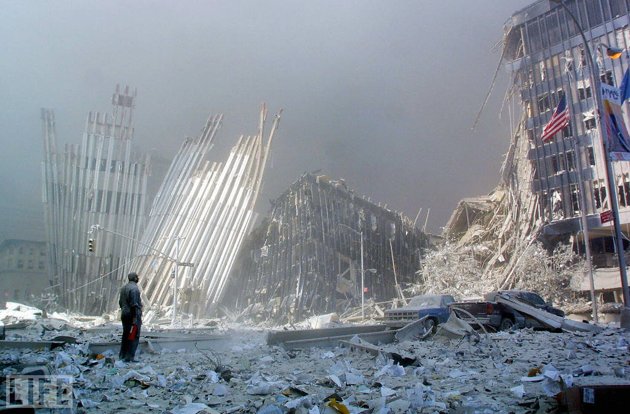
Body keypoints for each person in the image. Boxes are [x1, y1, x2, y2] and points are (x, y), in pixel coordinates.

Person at [119, 272, 142, 362]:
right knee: (133, 335)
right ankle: (129, 357)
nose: (138, 278)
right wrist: (135, 318)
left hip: (124, 314)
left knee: (125, 335)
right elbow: (134, 304)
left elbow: (120, 302)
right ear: (135, 278)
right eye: (137, 277)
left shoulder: (123, 288)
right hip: (132, 315)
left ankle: (122, 355)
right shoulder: (134, 289)